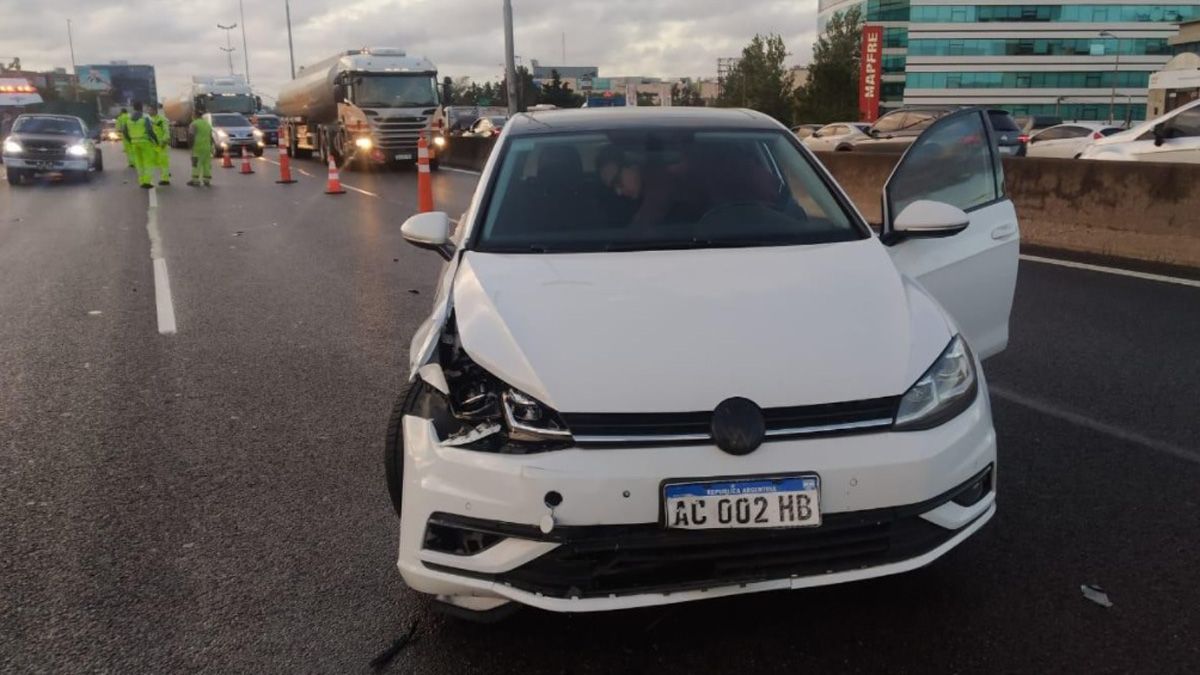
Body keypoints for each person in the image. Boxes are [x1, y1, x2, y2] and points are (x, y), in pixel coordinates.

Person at [123, 102, 158, 189]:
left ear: (134, 108)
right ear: (141, 108)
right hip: (145, 142)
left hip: (134, 144)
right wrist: (156, 140)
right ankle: (147, 181)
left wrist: (130, 140)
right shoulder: (145, 117)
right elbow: (150, 130)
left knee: (139, 163)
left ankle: (142, 181)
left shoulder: (129, 119)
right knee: (148, 162)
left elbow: (124, 131)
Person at [187, 112, 213, 187]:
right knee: (206, 164)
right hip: (207, 147)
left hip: (197, 147)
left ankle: (195, 180)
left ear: (195, 116)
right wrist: (210, 146)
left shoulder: (194, 124)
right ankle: (207, 180)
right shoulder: (207, 124)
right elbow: (210, 137)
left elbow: (191, 135)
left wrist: (190, 145)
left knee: (196, 163)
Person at [149, 104, 171, 186]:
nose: (149, 111)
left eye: (150, 110)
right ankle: (164, 176)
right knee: (155, 162)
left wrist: (164, 142)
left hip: (161, 145)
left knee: (163, 162)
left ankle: (165, 179)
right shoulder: (150, 120)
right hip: (154, 145)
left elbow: (166, 132)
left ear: (154, 111)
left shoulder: (162, 120)